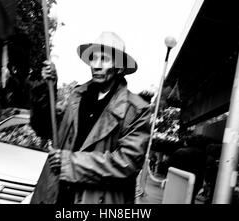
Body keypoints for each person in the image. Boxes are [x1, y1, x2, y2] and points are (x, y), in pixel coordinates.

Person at [30, 32, 151, 204]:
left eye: (105, 59)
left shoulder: (136, 110)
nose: (97, 65)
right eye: (94, 58)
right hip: (56, 195)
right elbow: (43, 128)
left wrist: (69, 163)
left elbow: (127, 163)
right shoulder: (76, 96)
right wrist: (47, 87)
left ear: (120, 68)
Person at [168, 135, 207, 204]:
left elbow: (170, 166)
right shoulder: (204, 155)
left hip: (179, 181)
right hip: (196, 182)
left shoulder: (180, 152)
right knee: (190, 198)